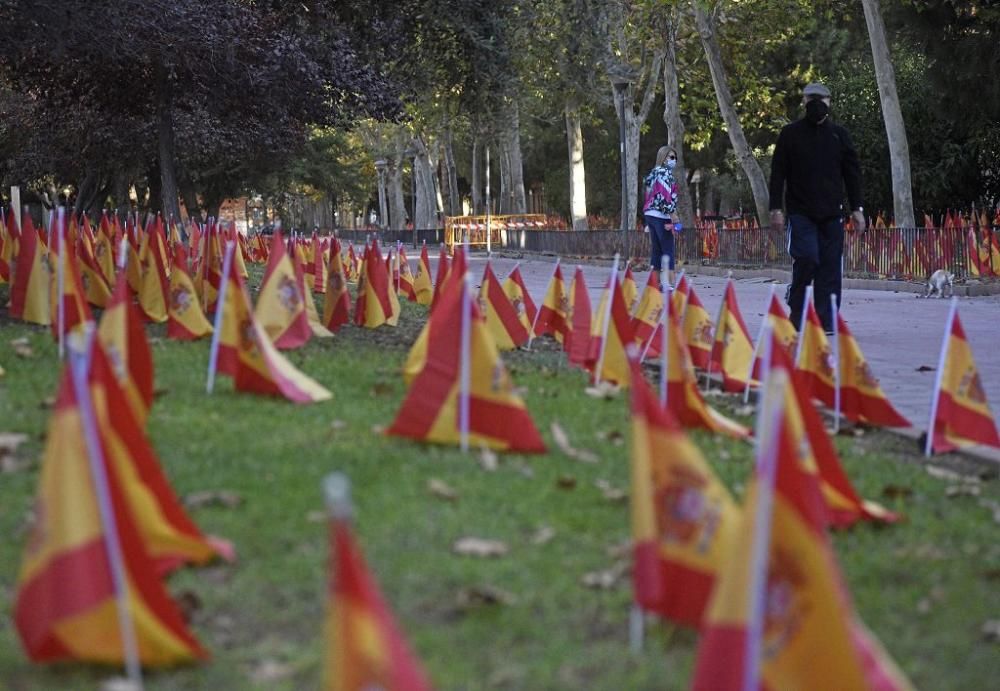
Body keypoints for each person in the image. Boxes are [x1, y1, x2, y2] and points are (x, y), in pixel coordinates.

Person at [769, 82, 866, 334]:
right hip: (801, 212)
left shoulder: (840, 135)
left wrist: (857, 208)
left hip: (832, 213)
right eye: (811, 98)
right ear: (803, 101)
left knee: (830, 268)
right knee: (807, 257)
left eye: (822, 99)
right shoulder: (790, 134)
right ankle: (797, 310)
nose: (817, 104)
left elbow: (852, 174)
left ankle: (826, 320)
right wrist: (775, 209)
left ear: (830, 102)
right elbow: (778, 173)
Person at [642, 145, 681, 286]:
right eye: (671, 157)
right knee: (668, 249)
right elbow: (664, 197)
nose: (674, 160)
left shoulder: (653, 173)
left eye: (675, 158)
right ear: (663, 158)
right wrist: (673, 215)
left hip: (650, 214)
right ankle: (671, 283)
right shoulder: (665, 173)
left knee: (656, 250)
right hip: (661, 216)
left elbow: (647, 193)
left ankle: (655, 284)